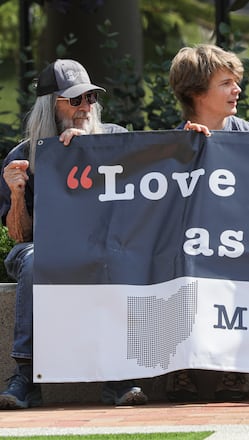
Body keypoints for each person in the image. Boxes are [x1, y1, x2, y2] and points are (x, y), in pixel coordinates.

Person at [0, 59, 149, 409]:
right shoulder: (23, 156)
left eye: (91, 98)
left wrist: (193, 141)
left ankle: (119, 376)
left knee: (114, 257)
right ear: (50, 105)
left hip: (104, 244)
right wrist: (18, 193)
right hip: (43, 247)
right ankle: (26, 375)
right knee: (36, 260)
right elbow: (21, 236)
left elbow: (157, 183)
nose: (86, 108)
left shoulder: (114, 141)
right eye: (75, 99)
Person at [165, 44, 249, 402]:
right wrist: (191, 151)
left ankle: (236, 369)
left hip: (242, 240)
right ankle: (179, 367)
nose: (237, 90)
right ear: (195, 92)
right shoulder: (175, 144)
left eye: (236, 82)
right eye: (226, 83)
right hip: (191, 245)